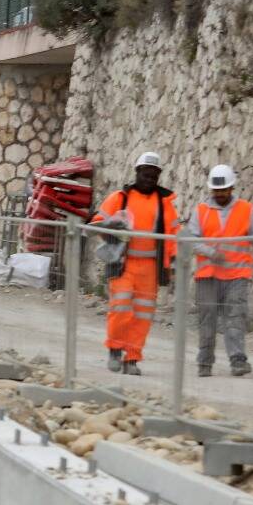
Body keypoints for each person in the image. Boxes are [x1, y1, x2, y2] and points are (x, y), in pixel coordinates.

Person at [187, 164, 253, 378]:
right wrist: (210, 252)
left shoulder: (246, 209)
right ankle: (205, 363)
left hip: (237, 276)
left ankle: (237, 361)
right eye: (216, 191)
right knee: (207, 319)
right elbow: (191, 240)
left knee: (235, 318)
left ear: (231, 188)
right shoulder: (200, 211)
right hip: (208, 276)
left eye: (223, 190)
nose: (219, 194)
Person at [94, 152, 179, 375]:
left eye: (153, 176)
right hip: (124, 263)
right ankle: (114, 349)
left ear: (158, 176)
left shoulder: (165, 204)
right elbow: (96, 223)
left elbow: (173, 235)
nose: (149, 179)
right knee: (120, 308)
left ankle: (132, 358)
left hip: (150, 267)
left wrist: (172, 264)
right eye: (145, 174)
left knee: (143, 315)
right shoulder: (119, 198)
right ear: (137, 173)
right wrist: (111, 228)